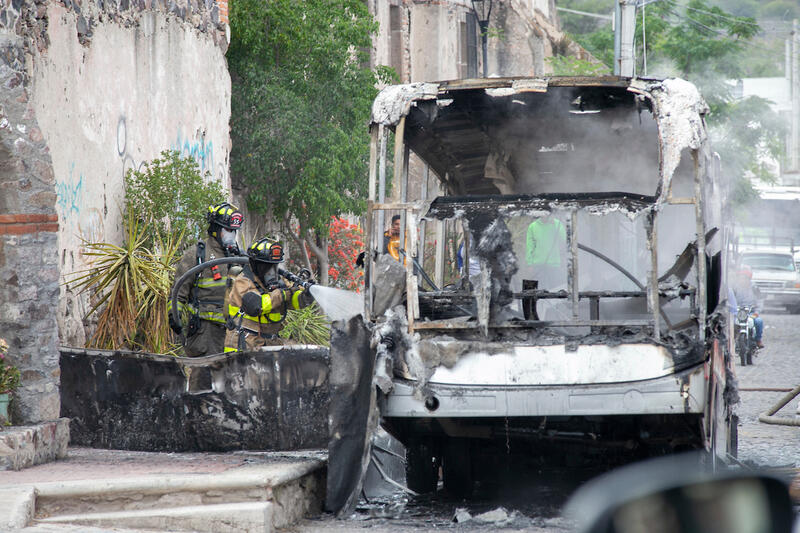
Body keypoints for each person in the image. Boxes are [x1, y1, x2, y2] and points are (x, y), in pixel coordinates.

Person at [170, 202, 244, 357]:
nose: (232, 235)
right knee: (204, 377)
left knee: (232, 376)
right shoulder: (197, 254)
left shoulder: (239, 257)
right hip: (204, 334)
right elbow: (179, 291)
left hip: (233, 332)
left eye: (234, 231)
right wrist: (174, 317)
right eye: (228, 230)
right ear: (216, 229)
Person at [224, 237, 314, 352]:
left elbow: (292, 301)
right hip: (244, 345)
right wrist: (283, 293)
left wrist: (305, 296)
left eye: (274, 266)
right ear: (255, 264)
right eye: (266, 266)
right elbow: (256, 306)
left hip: (271, 344)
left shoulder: (279, 281)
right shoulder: (243, 281)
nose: (271, 271)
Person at [525, 215, 567, 289]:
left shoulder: (557, 224)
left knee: (555, 290)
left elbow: (565, 239)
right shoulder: (533, 226)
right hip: (537, 264)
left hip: (554, 264)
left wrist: (554, 224)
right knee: (538, 291)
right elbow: (529, 246)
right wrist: (529, 264)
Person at [731, 265, 764, 349]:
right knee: (732, 323)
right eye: (741, 277)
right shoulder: (734, 288)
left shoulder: (754, 288)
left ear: (749, 278)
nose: (743, 280)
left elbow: (760, 300)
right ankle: (733, 340)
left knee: (759, 322)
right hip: (738, 312)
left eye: (745, 278)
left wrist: (757, 312)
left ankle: (758, 339)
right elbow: (731, 301)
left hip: (751, 312)